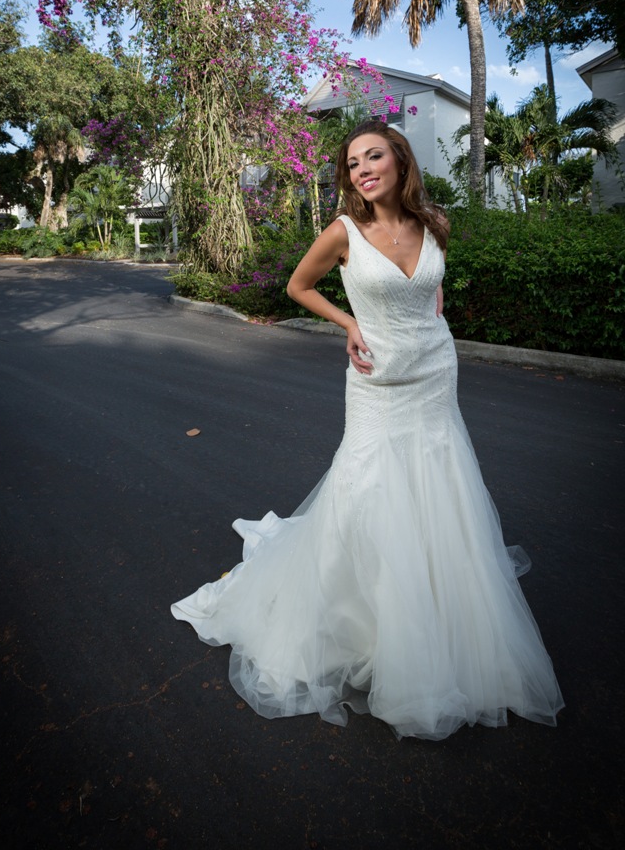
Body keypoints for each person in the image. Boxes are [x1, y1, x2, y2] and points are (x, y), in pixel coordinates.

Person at [171, 120, 564, 740]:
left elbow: (430, 298)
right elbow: (298, 286)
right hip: (376, 381)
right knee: (366, 485)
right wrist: (349, 323)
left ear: (400, 160)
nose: (362, 170)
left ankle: (434, 610)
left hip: (434, 372)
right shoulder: (343, 232)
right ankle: (365, 616)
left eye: (373, 156)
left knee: (440, 482)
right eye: (353, 164)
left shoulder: (435, 222)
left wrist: (429, 329)